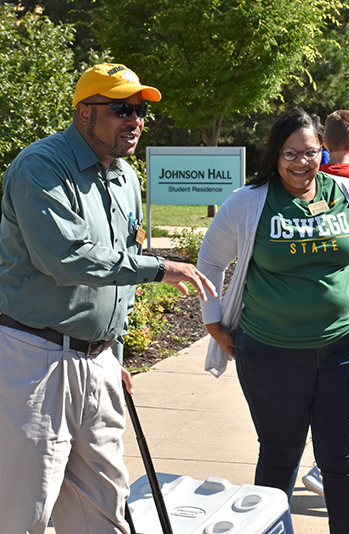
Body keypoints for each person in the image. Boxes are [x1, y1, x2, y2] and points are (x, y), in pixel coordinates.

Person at [0, 63, 216, 534]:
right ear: (84, 113)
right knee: (23, 513)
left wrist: (113, 356)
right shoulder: (41, 166)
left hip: (98, 365)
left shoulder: (125, 178)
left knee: (104, 513)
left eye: (140, 112)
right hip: (35, 361)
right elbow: (64, 257)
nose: (135, 121)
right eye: (122, 109)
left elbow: (118, 273)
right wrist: (161, 268)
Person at [196, 107, 349, 534]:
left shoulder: (347, 194)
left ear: (323, 150)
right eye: (291, 153)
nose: (302, 162)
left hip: (346, 348)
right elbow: (209, 259)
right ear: (275, 153)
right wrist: (213, 323)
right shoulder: (249, 202)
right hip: (271, 354)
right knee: (280, 456)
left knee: (343, 460)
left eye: (311, 152)